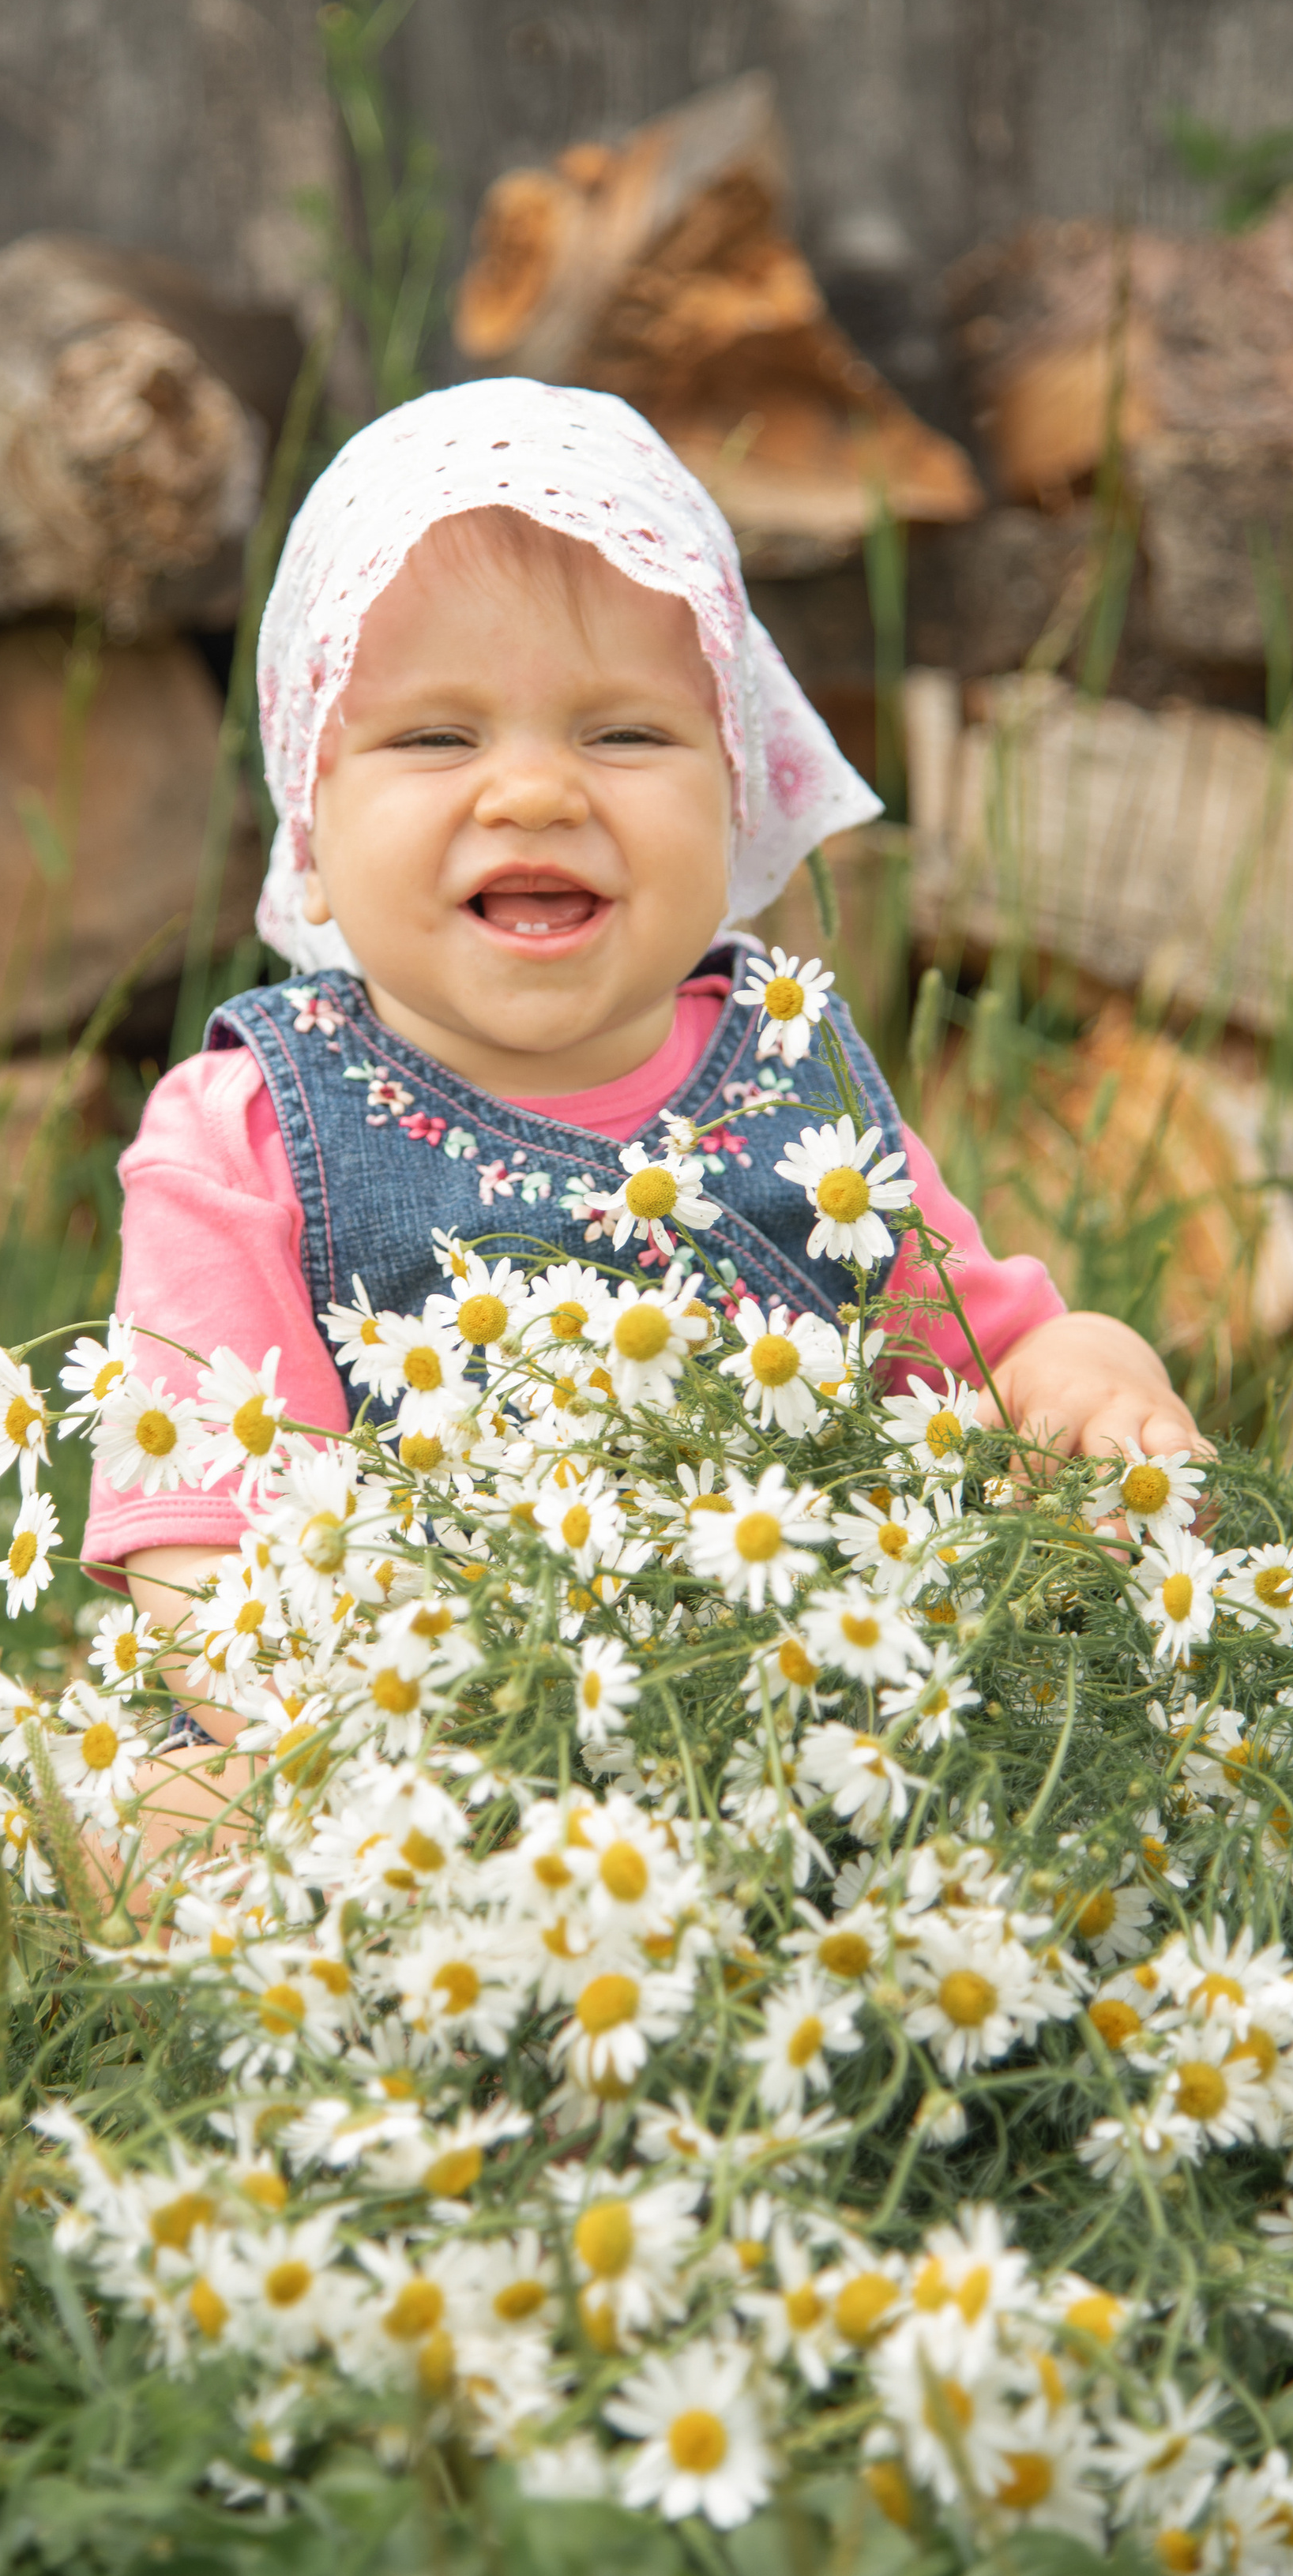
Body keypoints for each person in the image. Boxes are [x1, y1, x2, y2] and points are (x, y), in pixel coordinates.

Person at [85, 378, 1203, 1810]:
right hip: (398, 1745)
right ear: (309, 828)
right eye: (437, 739)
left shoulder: (803, 1081)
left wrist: (1089, 1382)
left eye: (623, 735)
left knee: (1101, 1764)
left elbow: (979, 1364)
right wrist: (382, 1751)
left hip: (798, 1726)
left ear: (736, 795)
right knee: (168, 1821)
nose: (537, 792)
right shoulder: (244, 1129)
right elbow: (209, 1554)